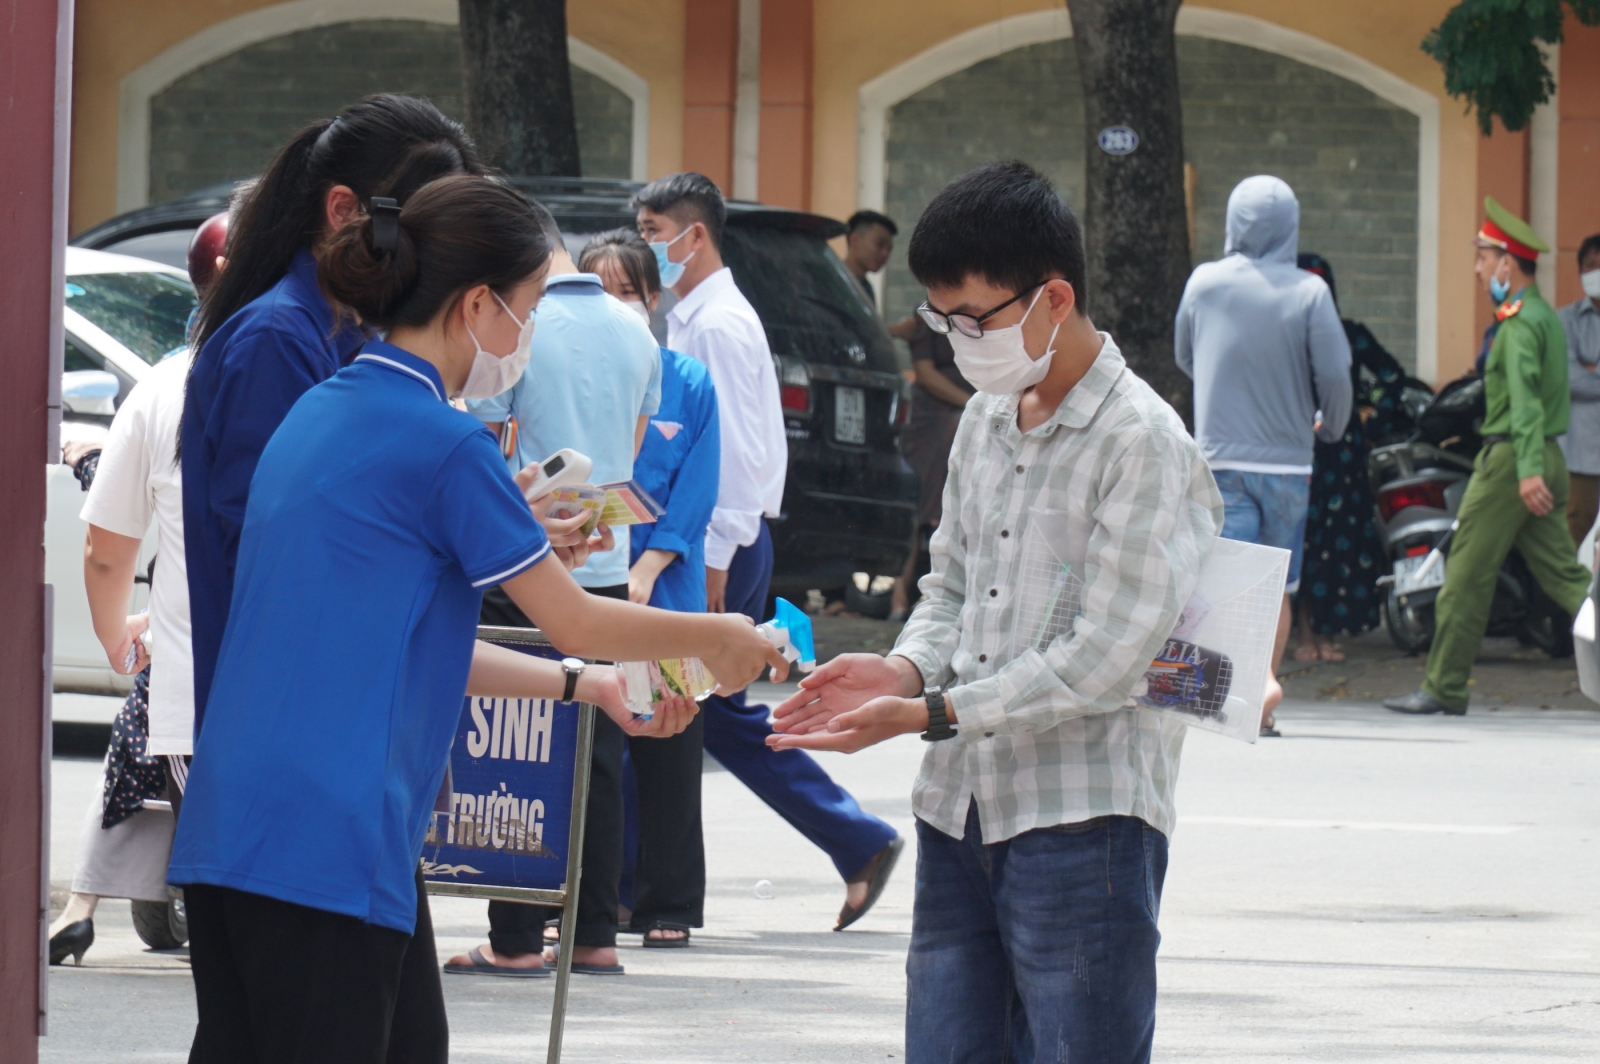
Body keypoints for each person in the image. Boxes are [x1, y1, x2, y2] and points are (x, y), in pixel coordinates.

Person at [166, 174, 786, 1062]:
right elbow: (576, 618)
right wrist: (722, 635)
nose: (531, 332)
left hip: (245, 824)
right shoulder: (445, 441)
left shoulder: (324, 408)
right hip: (331, 835)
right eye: (532, 305)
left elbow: (415, 640)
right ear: (479, 305)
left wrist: (590, 686)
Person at [768, 161, 1221, 1064]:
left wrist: (931, 712)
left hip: (1084, 820)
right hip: (957, 811)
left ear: (1055, 297)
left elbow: (1112, 658)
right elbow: (950, 590)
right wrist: (902, 670)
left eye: (976, 319)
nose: (960, 340)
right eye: (942, 320)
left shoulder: (1143, 443)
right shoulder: (985, 417)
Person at [635, 172, 903, 930]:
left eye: (654, 232)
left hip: (715, 543)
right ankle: (851, 840)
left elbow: (735, 456)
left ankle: (853, 837)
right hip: (718, 539)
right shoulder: (701, 316)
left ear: (694, 235)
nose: (650, 247)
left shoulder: (716, 325)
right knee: (686, 710)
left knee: (684, 708)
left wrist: (716, 560)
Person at [448, 204, 663, 978]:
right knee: (599, 751)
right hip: (606, 559)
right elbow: (636, 443)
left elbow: (493, 447)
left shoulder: (523, 330)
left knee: (520, 744)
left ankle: (515, 937)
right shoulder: (637, 330)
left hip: (526, 564)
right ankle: (595, 933)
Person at [48, 217, 229, 966]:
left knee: (232, 925)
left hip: (198, 681)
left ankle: (84, 906)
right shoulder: (337, 368)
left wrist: (117, 634)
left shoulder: (170, 383)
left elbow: (104, 550)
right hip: (313, 689)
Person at [1385, 199, 1591, 716]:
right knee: (1568, 580)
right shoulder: (1544, 316)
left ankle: (1444, 687)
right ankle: (1444, 685)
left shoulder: (1519, 325)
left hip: (1512, 466)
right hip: (1543, 458)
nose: (1477, 271)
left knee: (1464, 578)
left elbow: (1523, 402)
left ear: (1507, 263)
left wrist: (1524, 472)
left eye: (1482, 258)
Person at [1174, 174, 1352, 736]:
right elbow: (1337, 374)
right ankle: (1263, 687)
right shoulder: (1310, 291)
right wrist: (1331, 426)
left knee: (1230, 577)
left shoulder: (1204, 283)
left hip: (1222, 458)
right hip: (1289, 465)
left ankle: (1233, 690)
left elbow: (1187, 355)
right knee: (1278, 585)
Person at [592, 227, 722, 946]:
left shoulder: (690, 382)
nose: (612, 306)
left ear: (652, 299)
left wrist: (646, 570)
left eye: (625, 292)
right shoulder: (563, 377)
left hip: (664, 597)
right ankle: (597, 899)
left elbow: (697, 492)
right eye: (596, 291)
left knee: (669, 750)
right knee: (594, 758)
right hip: (585, 592)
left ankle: (668, 904)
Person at [1292, 253, 1410, 660]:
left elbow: (1394, 379)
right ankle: (1306, 634)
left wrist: (1371, 424)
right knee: (1302, 541)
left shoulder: (1348, 335)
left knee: (1338, 541)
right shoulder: (1285, 336)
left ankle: (1329, 633)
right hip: (1296, 452)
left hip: (1341, 456)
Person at [889, 314, 973, 621]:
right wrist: (972, 403)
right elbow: (925, 373)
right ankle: (898, 596)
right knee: (919, 505)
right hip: (933, 419)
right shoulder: (930, 316)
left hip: (963, 418)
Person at [1558, 234, 1600, 547]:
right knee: (1573, 539)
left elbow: (1584, 380)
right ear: (1580, 273)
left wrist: (1592, 372)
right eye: (1591, 266)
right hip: (1582, 457)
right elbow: (1569, 379)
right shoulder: (1564, 321)